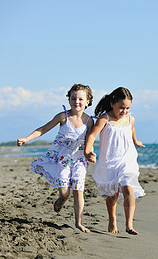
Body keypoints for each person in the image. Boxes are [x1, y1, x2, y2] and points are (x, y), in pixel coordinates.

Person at [17, 83, 95, 233]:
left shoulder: (89, 121)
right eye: (73, 98)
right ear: (69, 100)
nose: (76, 102)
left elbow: (90, 141)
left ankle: (79, 223)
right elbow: (44, 129)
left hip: (79, 160)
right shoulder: (63, 116)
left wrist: (90, 154)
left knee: (78, 190)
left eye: (80, 99)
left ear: (87, 102)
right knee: (65, 192)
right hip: (62, 160)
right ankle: (62, 199)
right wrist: (27, 139)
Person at [84, 87, 145, 235]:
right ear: (112, 104)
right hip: (110, 160)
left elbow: (132, 130)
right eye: (121, 108)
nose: (124, 111)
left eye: (127, 108)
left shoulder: (130, 118)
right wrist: (88, 150)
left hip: (127, 158)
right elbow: (92, 136)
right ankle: (112, 219)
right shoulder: (104, 119)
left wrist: (135, 140)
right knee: (113, 195)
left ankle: (129, 224)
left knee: (128, 187)